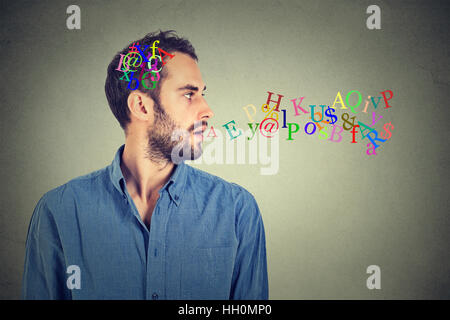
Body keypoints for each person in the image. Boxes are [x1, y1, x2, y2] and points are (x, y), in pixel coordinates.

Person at [22, 30, 268, 300]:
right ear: (141, 105)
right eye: (189, 94)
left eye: (203, 94)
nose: (207, 110)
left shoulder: (237, 210)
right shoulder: (59, 211)